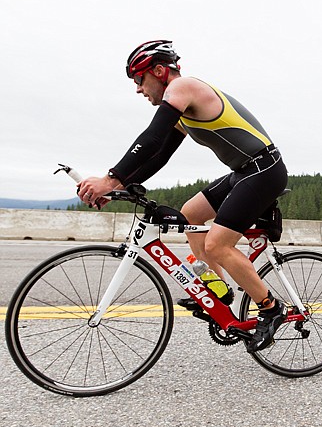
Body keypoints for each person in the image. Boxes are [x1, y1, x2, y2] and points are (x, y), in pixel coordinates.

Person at [77, 40, 289, 352]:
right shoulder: (181, 109)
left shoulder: (184, 88)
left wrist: (111, 178)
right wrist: (120, 186)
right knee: (190, 214)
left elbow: (150, 138)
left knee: (218, 244)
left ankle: (271, 308)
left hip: (264, 169)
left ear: (159, 71)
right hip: (244, 171)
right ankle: (218, 290)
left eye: (139, 80)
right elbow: (159, 154)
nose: (138, 89)